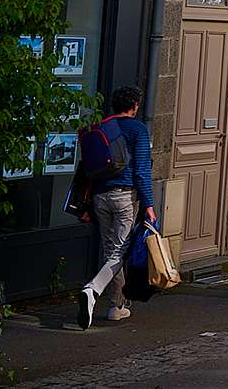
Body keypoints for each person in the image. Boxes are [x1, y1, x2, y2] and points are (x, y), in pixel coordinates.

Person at [79, 85, 153, 329]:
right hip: (124, 197)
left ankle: (116, 307)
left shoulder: (102, 128)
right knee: (118, 253)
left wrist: (85, 205)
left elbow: (86, 170)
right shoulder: (138, 129)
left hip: (100, 197)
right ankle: (92, 290)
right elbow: (141, 170)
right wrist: (149, 205)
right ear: (134, 107)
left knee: (110, 250)